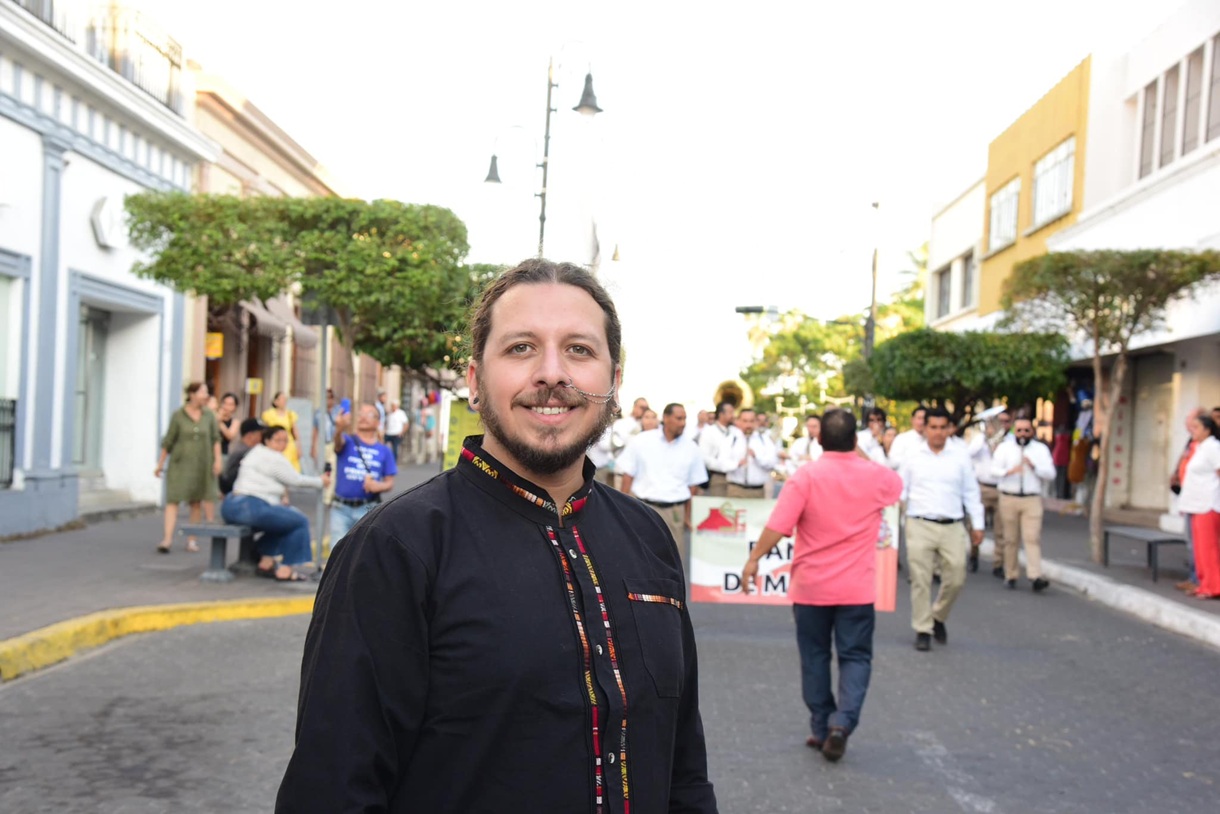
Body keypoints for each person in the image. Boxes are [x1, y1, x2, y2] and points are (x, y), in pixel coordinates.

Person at [277, 259, 717, 813]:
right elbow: (332, 789)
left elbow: (683, 768)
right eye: (521, 348)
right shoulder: (396, 547)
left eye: (579, 350)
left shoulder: (647, 536)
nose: (552, 373)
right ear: (474, 382)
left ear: (614, 382)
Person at [741, 409, 901, 762]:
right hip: (857, 589)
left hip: (811, 588)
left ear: (820, 439)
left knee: (814, 656)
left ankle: (820, 725)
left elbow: (779, 525)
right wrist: (857, 452)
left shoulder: (806, 476)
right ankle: (842, 723)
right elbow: (895, 487)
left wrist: (754, 560)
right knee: (855, 656)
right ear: (855, 440)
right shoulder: (877, 477)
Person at [900, 407, 984, 651]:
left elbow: (971, 492)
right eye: (933, 427)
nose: (938, 432)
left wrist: (978, 524)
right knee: (920, 579)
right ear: (925, 428)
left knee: (957, 577)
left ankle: (938, 615)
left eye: (942, 427)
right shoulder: (912, 455)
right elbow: (900, 489)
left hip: (952, 525)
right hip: (919, 523)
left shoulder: (960, 456)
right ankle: (923, 628)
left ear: (949, 429)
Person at [221, 426, 328, 582]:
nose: (282, 444)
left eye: (285, 441)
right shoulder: (273, 457)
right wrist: (320, 481)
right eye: (278, 440)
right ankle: (286, 570)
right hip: (250, 505)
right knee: (299, 522)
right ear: (267, 441)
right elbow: (294, 480)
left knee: (282, 522)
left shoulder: (256, 452)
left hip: (230, 505)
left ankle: (266, 561)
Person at [616, 403, 709, 576]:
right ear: (666, 418)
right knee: (640, 559)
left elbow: (693, 486)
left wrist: (687, 516)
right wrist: (621, 509)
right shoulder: (642, 441)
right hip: (643, 508)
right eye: (678, 418)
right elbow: (628, 475)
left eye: (685, 419)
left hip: (675, 512)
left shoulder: (691, 448)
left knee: (673, 563)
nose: (682, 423)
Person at [155, 382, 222, 554]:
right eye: (202, 392)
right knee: (173, 499)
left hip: (202, 464)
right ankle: (167, 539)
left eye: (206, 392)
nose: (205, 395)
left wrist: (218, 460)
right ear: (192, 394)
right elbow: (169, 441)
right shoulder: (178, 415)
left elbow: (215, 439)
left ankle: (192, 540)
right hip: (180, 464)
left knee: (196, 501)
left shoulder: (209, 415)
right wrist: (160, 464)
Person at [991, 416, 1056, 591]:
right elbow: (993, 470)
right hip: (1009, 497)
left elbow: (1051, 473)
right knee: (1010, 539)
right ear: (1014, 432)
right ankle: (1011, 574)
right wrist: (1008, 471)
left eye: (1026, 430)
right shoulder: (1005, 448)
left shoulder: (1040, 449)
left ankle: (1035, 576)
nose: (1023, 434)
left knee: (1032, 537)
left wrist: (1035, 467)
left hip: (1031, 499)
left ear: (1032, 432)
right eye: (1019, 430)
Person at [329, 403, 397, 547]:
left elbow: (389, 483)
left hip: (367, 509)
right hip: (341, 509)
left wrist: (377, 486)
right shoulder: (347, 441)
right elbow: (337, 443)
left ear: (378, 422)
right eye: (361, 414)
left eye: (369, 414)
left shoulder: (384, 451)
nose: (363, 417)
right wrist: (339, 427)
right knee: (337, 552)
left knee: (362, 552)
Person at [1178, 414, 1220, 599]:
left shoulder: (1213, 447)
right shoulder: (1199, 447)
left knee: (1209, 548)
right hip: (1195, 504)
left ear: (1207, 430)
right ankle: (1204, 584)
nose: (1192, 431)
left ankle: (1214, 586)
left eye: (1196, 428)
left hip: (1208, 504)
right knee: (1199, 549)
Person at [968, 409, 1010, 576]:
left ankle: (998, 564)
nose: (1003, 424)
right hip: (982, 487)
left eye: (1006, 421)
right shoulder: (980, 439)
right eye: (1000, 421)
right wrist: (985, 438)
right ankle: (974, 554)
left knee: (1001, 530)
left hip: (1002, 488)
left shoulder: (1010, 441)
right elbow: (969, 454)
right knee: (975, 525)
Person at [725, 407, 777, 498]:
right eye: (745, 421)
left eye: (751, 421)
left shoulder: (764, 440)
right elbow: (722, 463)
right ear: (738, 422)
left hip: (757, 491)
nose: (748, 425)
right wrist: (736, 464)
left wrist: (757, 457)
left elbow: (772, 463)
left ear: (755, 422)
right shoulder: (731, 439)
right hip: (736, 489)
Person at [699, 400, 741, 497]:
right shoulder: (709, 432)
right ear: (721, 414)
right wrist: (725, 466)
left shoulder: (735, 431)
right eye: (730, 412)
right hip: (719, 477)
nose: (733, 415)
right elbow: (705, 458)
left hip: (736, 477)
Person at [218, 418, 266, 496]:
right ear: (250, 435)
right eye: (261, 434)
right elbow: (230, 480)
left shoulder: (246, 450)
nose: (263, 437)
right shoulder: (245, 453)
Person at [262, 391, 301, 472]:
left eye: (285, 399)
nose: (284, 401)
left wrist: (298, 446)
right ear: (276, 401)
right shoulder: (269, 414)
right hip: (274, 442)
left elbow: (295, 431)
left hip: (288, 443)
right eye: (281, 399)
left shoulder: (290, 414)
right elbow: (265, 430)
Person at [886, 405, 927, 470]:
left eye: (924, 419)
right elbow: (892, 462)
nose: (922, 422)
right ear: (912, 420)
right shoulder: (902, 439)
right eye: (919, 418)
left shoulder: (932, 440)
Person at [216, 392, 241, 457]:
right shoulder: (213, 416)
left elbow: (230, 436)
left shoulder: (235, 421)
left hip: (223, 453)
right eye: (225, 403)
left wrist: (219, 421)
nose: (226, 407)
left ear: (235, 407)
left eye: (230, 404)